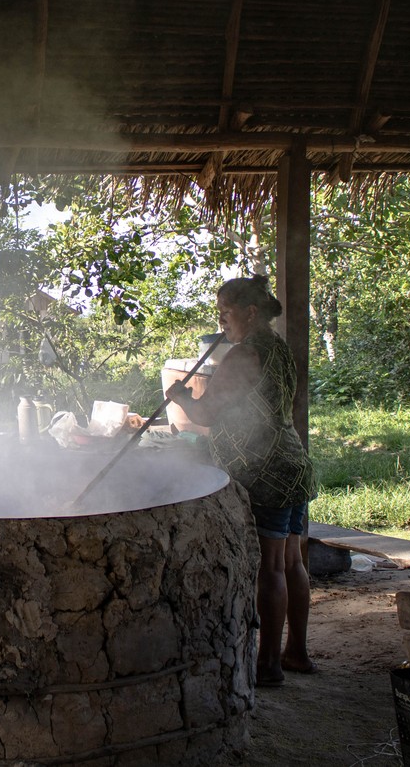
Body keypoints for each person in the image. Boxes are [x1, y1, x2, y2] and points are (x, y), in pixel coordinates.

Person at [166, 274, 317, 687]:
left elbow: (206, 415)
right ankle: (296, 653)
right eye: (218, 314)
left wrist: (179, 395)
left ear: (250, 312)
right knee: (292, 561)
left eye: (226, 313)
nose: (221, 322)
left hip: (264, 469)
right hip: (292, 462)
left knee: (271, 567)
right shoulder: (278, 349)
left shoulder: (244, 354)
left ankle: (268, 664)